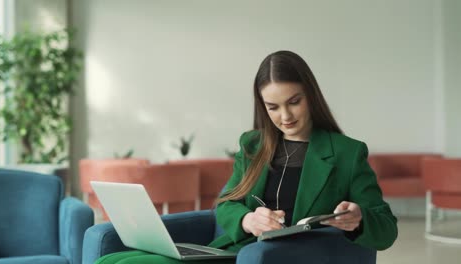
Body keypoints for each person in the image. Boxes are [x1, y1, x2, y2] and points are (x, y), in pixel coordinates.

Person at [96, 50, 398, 264]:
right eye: (273, 107)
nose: (286, 116)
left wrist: (358, 220)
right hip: (231, 252)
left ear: (311, 96)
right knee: (115, 258)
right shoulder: (253, 144)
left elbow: (386, 230)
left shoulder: (347, 152)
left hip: (277, 258)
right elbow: (227, 203)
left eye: (294, 102)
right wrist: (249, 219)